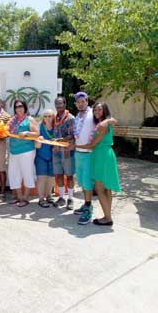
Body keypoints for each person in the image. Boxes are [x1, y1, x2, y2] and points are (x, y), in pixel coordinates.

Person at [71, 92, 117, 225]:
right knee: (83, 182)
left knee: (90, 184)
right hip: (79, 153)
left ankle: (89, 209)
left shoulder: (92, 113)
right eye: (78, 101)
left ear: (87, 101)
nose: (80, 103)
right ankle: (87, 205)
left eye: (83, 101)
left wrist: (108, 120)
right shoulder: (77, 117)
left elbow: (113, 120)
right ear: (75, 103)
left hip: (90, 153)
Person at [8, 99, 40, 207]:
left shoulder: (29, 119)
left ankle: (25, 198)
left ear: (25, 107)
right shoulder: (12, 120)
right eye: (16, 107)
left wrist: (26, 132)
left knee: (27, 173)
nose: (18, 108)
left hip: (27, 151)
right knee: (14, 174)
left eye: (21, 106)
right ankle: (19, 197)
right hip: (13, 151)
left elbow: (36, 133)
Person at [52, 96, 76, 210]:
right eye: (56, 104)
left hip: (67, 152)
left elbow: (73, 135)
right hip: (56, 152)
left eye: (60, 103)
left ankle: (70, 199)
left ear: (65, 104)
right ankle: (61, 197)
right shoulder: (55, 118)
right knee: (58, 175)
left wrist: (60, 140)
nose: (58, 106)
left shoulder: (70, 118)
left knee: (70, 176)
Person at [35, 109, 55, 208]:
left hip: (54, 157)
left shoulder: (56, 128)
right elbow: (37, 146)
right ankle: (41, 199)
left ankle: (49, 196)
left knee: (51, 178)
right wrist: (39, 141)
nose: (47, 118)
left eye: (49, 116)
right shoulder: (39, 127)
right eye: (45, 116)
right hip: (41, 156)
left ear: (53, 117)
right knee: (41, 178)